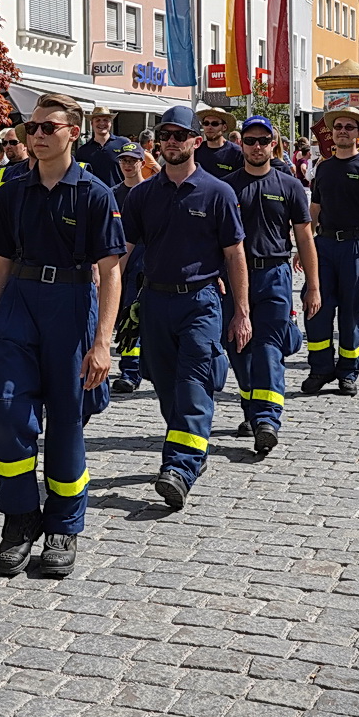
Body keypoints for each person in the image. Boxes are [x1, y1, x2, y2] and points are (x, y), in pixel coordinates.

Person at [0, 94, 124, 577]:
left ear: (72, 133)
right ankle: (19, 519)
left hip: (71, 305)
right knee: (8, 411)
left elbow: (111, 271)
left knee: (65, 422)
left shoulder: (96, 193)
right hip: (18, 302)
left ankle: (63, 525)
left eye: (47, 128)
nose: (35, 135)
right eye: (30, 127)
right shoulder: (13, 189)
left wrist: (102, 342)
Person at [119, 104, 248, 510]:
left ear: (196, 140)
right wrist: (101, 294)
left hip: (201, 301)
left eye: (180, 135)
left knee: (193, 382)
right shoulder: (142, 195)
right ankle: (193, 447)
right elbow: (122, 252)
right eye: (165, 135)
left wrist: (242, 311)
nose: (171, 142)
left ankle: (179, 466)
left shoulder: (218, 192)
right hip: (154, 301)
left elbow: (235, 253)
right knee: (162, 383)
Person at [221, 117, 317, 455]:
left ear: (273, 144)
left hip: (274, 274)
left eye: (264, 140)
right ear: (242, 144)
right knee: (238, 350)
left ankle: (267, 420)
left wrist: (313, 286)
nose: (257, 146)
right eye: (251, 141)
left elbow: (305, 236)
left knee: (268, 349)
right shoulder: (227, 187)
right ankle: (252, 410)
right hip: (234, 277)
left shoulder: (289, 185)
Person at [303, 108, 359, 396]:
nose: (342, 131)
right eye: (338, 126)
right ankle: (320, 368)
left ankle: (348, 371)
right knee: (316, 309)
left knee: (352, 311)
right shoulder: (323, 168)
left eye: (349, 127)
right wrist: (304, 246)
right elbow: (314, 210)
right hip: (323, 245)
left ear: (358, 133)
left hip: (355, 246)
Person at [111, 144, 148, 394]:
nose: (128, 165)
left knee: (141, 316)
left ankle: (139, 368)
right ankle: (129, 370)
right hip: (118, 260)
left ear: (141, 162)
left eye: (133, 160)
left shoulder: (151, 191)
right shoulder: (112, 193)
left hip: (145, 261)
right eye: (124, 160)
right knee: (126, 317)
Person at [73, 106, 128, 188]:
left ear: (111, 123)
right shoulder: (83, 151)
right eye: (98, 120)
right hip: (94, 198)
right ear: (92, 124)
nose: (102, 123)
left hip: (120, 197)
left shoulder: (123, 144)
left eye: (105, 120)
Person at [193, 107, 244, 177]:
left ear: (224, 127)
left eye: (215, 124)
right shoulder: (196, 150)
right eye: (206, 123)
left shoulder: (236, 152)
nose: (209, 127)